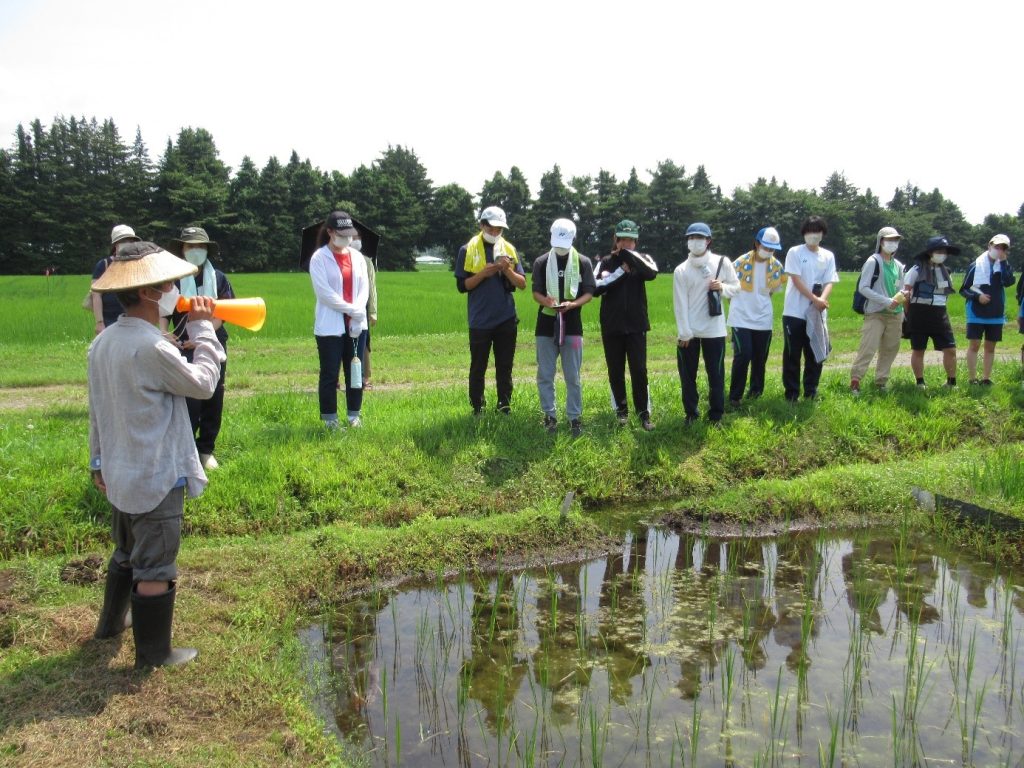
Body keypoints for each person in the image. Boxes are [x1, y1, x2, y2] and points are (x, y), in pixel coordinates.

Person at [88, 241, 223, 668]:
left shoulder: (105, 342)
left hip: (120, 471)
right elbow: (203, 384)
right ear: (148, 293)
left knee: (126, 552)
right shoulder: (152, 348)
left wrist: (97, 460)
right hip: (156, 475)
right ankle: (154, 654)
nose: (173, 290)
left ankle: (110, 625)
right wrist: (204, 329)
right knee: (156, 565)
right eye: (167, 284)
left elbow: (97, 408)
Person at [168, 226, 235, 470]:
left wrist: (204, 334)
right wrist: (168, 337)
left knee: (214, 394)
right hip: (181, 344)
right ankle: (186, 449)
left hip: (213, 341)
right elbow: (165, 313)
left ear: (207, 250)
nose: (196, 251)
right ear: (182, 250)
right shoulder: (172, 279)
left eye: (200, 246)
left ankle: (206, 449)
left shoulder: (218, 278)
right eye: (190, 246)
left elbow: (224, 312)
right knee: (188, 399)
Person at [454, 206, 527, 415]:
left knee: (505, 367)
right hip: (479, 320)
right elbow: (462, 286)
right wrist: (483, 273)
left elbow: (522, 284)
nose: (495, 233)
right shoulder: (467, 250)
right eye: (491, 228)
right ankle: (478, 407)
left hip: (506, 318)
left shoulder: (509, 250)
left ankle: (504, 406)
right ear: (482, 225)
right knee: (478, 367)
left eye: (499, 230)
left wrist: (507, 270)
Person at [532, 218, 596, 437]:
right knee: (545, 373)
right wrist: (547, 302)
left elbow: (589, 292)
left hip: (573, 326)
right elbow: (535, 293)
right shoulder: (541, 262)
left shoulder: (584, 262)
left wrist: (573, 304)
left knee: (573, 375)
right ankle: (549, 415)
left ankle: (574, 418)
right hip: (545, 324)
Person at [592, 219, 658, 430]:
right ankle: (621, 411)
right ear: (616, 240)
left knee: (639, 369)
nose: (627, 244)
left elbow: (652, 273)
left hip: (637, 325)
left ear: (636, 242)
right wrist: (620, 271)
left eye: (631, 240)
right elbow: (595, 287)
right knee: (615, 369)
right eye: (623, 240)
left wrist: (633, 261)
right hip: (611, 325)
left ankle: (644, 414)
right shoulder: (605, 262)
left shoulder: (644, 259)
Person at [672, 222, 739, 424]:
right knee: (687, 376)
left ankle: (716, 415)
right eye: (691, 238)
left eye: (699, 238)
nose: (695, 242)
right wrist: (684, 333)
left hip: (714, 330)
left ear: (708, 241)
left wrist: (722, 287)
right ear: (687, 242)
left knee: (716, 375)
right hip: (689, 333)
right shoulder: (681, 270)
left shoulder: (722, 262)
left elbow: (737, 287)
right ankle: (691, 413)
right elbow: (680, 304)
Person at [309, 211, 370, 428]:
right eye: (342, 234)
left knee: (355, 371)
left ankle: (354, 415)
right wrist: (352, 310)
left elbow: (364, 287)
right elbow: (325, 294)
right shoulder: (319, 258)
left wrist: (357, 312)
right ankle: (330, 419)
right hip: (330, 328)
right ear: (330, 232)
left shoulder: (357, 258)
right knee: (330, 374)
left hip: (356, 326)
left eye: (349, 235)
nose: (347, 239)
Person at [781, 215, 839, 401]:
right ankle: (791, 394)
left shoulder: (828, 255)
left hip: (817, 313)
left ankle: (811, 392)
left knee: (815, 352)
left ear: (823, 233)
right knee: (792, 355)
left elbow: (830, 280)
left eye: (817, 231)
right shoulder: (795, 252)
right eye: (810, 231)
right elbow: (796, 279)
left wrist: (821, 300)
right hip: (794, 312)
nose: (813, 235)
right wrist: (814, 298)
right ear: (804, 233)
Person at [727, 226, 787, 406]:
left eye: (772, 248)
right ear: (757, 243)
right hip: (741, 318)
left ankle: (755, 392)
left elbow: (772, 292)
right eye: (765, 247)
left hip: (763, 319)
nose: (768, 251)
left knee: (760, 358)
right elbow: (729, 288)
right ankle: (735, 396)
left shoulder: (776, 266)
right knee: (743, 355)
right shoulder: (739, 263)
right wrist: (739, 307)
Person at [849, 226, 908, 395]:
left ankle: (881, 382)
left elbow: (901, 287)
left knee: (890, 349)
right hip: (876, 313)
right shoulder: (873, 261)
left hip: (895, 314)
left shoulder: (898, 265)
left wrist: (903, 296)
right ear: (881, 241)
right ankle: (855, 380)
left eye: (895, 240)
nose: (892, 243)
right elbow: (863, 287)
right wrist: (886, 301)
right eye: (889, 240)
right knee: (868, 347)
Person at [904, 235, 959, 389]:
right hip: (919, 313)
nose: (942, 254)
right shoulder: (915, 270)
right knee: (918, 349)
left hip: (940, 313)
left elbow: (946, 295)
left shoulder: (946, 272)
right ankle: (920, 382)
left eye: (945, 251)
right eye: (939, 251)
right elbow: (906, 294)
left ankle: (951, 382)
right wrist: (909, 315)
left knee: (950, 348)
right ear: (930, 252)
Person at [960, 234, 1016, 385]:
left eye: (1003, 248)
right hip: (976, 312)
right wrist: (978, 297)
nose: (999, 250)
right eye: (996, 247)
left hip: (996, 312)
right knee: (975, 345)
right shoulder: (975, 265)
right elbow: (963, 290)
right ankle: (972, 379)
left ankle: (986, 378)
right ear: (989, 246)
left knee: (990, 347)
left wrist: (1003, 263)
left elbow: (1009, 282)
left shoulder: (1004, 266)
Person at [91, 225, 141, 334]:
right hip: (109, 319)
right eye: (123, 240)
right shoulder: (103, 265)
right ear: (115, 244)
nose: (128, 243)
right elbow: (96, 295)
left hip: (134, 317)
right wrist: (99, 322)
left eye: (131, 241)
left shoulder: (138, 264)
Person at [353, 232, 378, 389]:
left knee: (364, 344)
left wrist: (373, 311)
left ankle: (363, 378)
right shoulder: (341, 260)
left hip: (362, 308)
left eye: (358, 238)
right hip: (344, 308)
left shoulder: (367, 261)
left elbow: (372, 288)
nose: (356, 241)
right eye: (353, 238)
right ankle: (337, 378)